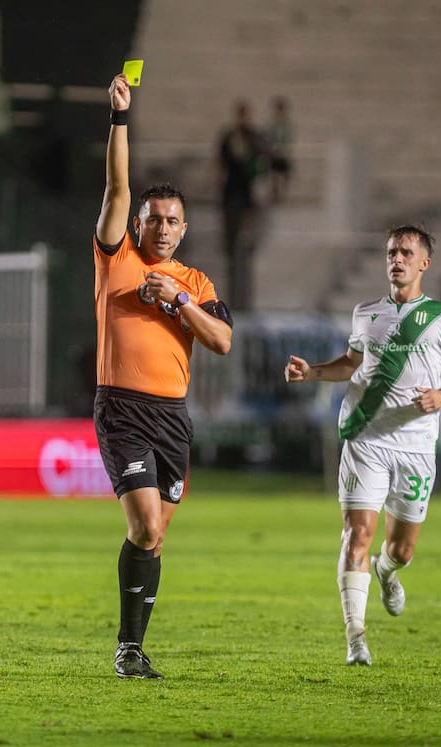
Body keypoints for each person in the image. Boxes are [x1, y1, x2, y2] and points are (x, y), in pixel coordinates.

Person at [283, 225, 441, 667]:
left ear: (424, 263)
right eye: (392, 251)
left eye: (407, 253)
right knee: (357, 535)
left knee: (401, 549)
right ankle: (356, 639)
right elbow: (351, 364)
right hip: (364, 437)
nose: (397, 259)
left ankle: (387, 572)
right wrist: (312, 372)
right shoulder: (365, 313)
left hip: (415, 446)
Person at [96, 73, 234, 679]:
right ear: (139, 224)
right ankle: (128, 651)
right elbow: (117, 186)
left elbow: (223, 341)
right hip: (122, 409)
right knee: (146, 524)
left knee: (154, 540)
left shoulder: (197, 284)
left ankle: (132, 648)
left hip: (173, 419)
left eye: (173, 221)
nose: (162, 228)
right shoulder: (115, 256)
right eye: (153, 219)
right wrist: (120, 118)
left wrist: (177, 301)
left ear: (184, 229)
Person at [216, 100, 263, 310]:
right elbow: (221, 162)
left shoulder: (253, 137)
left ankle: (244, 242)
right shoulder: (229, 136)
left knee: (244, 233)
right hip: (231, 192)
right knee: (230, 235)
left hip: (245, 192)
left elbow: (260, 159)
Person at [265, 96, 293, 203]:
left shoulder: (287, 123)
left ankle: (283, 195)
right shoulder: (271, 123)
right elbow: (268, 137)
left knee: (285, 174)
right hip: (273, 153)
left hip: (283, 153)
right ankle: (274, 195)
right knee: (273, 175)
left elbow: (288, 137)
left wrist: (283, 149)